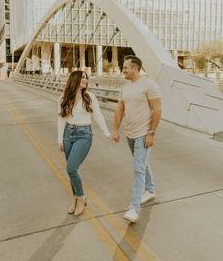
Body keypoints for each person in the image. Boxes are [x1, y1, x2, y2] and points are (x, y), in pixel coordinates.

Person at [111, 55, 161, 222]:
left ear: (135, 68)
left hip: (143, 133)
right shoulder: (125, 88)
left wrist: (151, 133)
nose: (123, 70)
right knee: (142, 163)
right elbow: (119, 110)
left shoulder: (149, 85)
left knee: (138, 168)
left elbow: (157, 111)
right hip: (129, 134)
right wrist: (115, 130)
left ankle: (134, 208)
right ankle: (151, 189)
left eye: (125, 67)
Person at [58, 70, 111, 216]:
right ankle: (75, 199)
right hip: (68, 134)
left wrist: (107, 133)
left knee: (71, 168)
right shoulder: (64, 97)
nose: (85, 80)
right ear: (74, 79)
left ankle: (81, 197)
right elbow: (61, 119)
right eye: (82, 77)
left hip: (84, 135)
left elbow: (98, 116)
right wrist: (59, 139)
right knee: (71, 170)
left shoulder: (90, 97)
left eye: (86, 78)